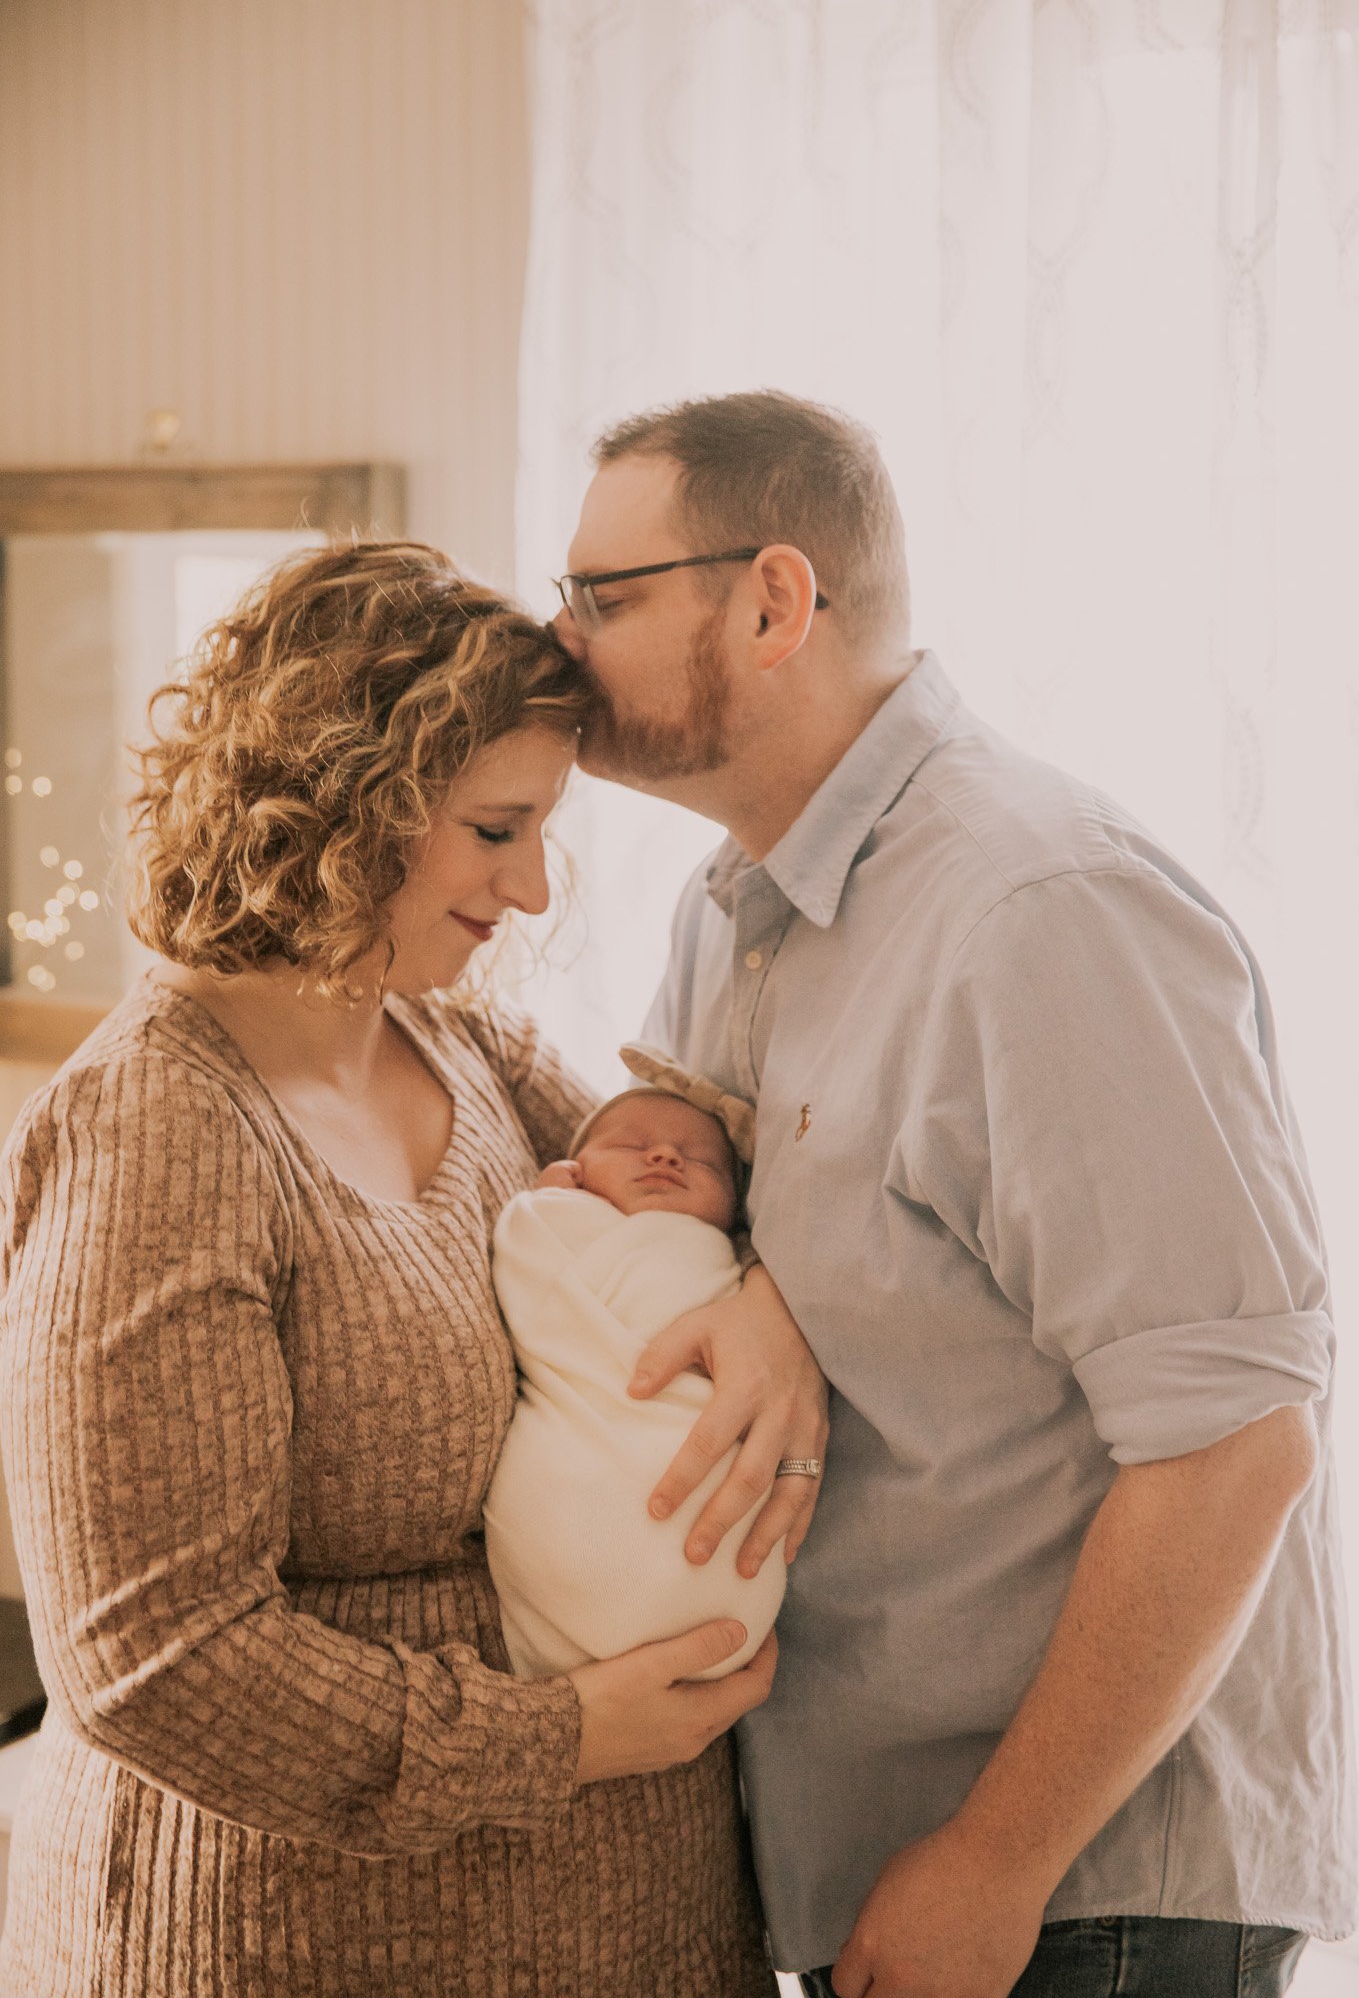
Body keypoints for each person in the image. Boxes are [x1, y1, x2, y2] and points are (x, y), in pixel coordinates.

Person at [551, 391, 1356, 1998]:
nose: (555, 642)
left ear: (775, 601)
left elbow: (1232, 1440)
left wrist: (996, 1859)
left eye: (605, 598)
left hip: (1081, 1896)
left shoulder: (1042, 910)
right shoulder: (740, 908)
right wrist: (766, 1289)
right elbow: (839, 1218)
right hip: (888, 1877)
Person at [0, 539, 828, 1998]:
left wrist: (770, 1315)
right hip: (289, 1944)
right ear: (343, 807)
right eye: (496, 830)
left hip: (629, 1923)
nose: (532, 889)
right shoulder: (159, 1125)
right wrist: (559, 1737)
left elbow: (700, 1210)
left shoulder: (461, 1044)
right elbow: (153, 1659)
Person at [484, 1049, 786, 1683]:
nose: (665, 1157)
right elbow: (525, 1272)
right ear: (572, 1171)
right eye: (631, 1145)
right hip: (583, 1469)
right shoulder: (559, 1222)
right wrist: (543, 1207)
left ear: (736, 1212)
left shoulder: (731, 1267)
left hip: (728, 1547)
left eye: (699, 1159)